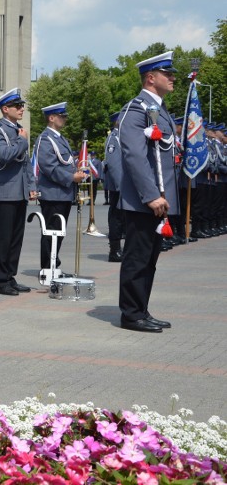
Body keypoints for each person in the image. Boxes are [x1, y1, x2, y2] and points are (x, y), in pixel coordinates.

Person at [117, 51, 179, 333]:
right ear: (151, 78)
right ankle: (130, 314)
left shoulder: (160, 109)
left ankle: (141, 309)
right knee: (137, 258)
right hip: (145, 201)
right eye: (168, 74)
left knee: (149, 260)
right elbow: (134, 156)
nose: (173, 78)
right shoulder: (137, 108)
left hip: (159, 199)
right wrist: (151, 195)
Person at [0, 88, 37, 296]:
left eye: (21, 106)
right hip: (5, 192)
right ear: (5, 109)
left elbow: (26, 164)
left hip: (19, 192)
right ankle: (1, 281)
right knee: (5, 238)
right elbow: (4, 155)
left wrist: (31, 187)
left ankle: (10, 276)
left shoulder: (19, 131)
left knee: (16, 238)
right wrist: (22, 141)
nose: (21, 109)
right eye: (17, 106)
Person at [33, 102, 86, 274]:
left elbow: (65, 163)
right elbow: (48, 166)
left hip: (62, 193)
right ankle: (48, 268)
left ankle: (54, 263)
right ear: (51, 118)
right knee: (51, 232)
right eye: (61, 116)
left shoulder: (60, 138)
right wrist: (71, 177)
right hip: (52, 194)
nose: (64, 119)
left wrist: (76, 173)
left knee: (59, 232)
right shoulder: (45, 139)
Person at [103, 111, 125, 261]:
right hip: (119, 186)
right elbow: (114, 164)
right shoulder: (113, 138)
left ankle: (121, 249)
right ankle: (114, 250)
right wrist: (120, 186)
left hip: (124, 185)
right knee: (116, 218)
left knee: (123, 218)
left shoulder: (122, 136)